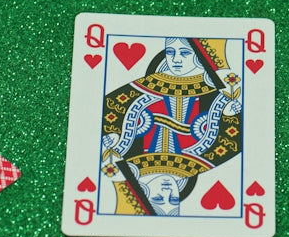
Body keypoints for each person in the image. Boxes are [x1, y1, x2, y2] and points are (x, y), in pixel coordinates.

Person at [101, 38, 243, 216]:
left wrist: (111, 138)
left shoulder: (212, 90)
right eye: (170, 52)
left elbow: (104, 118)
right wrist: (230, 114)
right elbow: (233, 139)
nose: (176, 59)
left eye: (184, 53)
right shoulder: (143, 87)